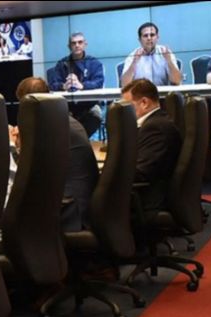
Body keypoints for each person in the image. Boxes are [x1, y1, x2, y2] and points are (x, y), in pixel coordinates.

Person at [15, 77, 99, 232]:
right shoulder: (62, 120)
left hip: (72, 212)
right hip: (82, 206)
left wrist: (18, 145)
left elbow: (29, 172)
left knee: (12, 217)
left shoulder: (47, 126)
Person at [120, 79, 182, 217]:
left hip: (148, 199)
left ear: (144, 102)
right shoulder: (158, 121)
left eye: (128, 106)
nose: (125, 112)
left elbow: (140, 173)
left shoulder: (155, 128)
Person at [49, 32, 105, 137]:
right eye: (73, 43)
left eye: (80, 42)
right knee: (56, 120)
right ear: (69, 46)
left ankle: (81, 141)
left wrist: (82, 86)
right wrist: (63, 86)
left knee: (96, 115)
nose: (77, 45)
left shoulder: (94, 63)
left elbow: (99, 82)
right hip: (68, 108)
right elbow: (52, 84)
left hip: (89, 106)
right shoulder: (61, 64)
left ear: (85, 44)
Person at [121, 22, 182, 87]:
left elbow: (177, 81)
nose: (149, 38)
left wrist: (169, 62)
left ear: (157, 37)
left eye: (152, 35)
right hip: (140, 95)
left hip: (162, 95)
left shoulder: (166, 53)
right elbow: (125, 85)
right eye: (145, 35)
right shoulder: (133, 56)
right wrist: (133, 63)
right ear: (140, 40)